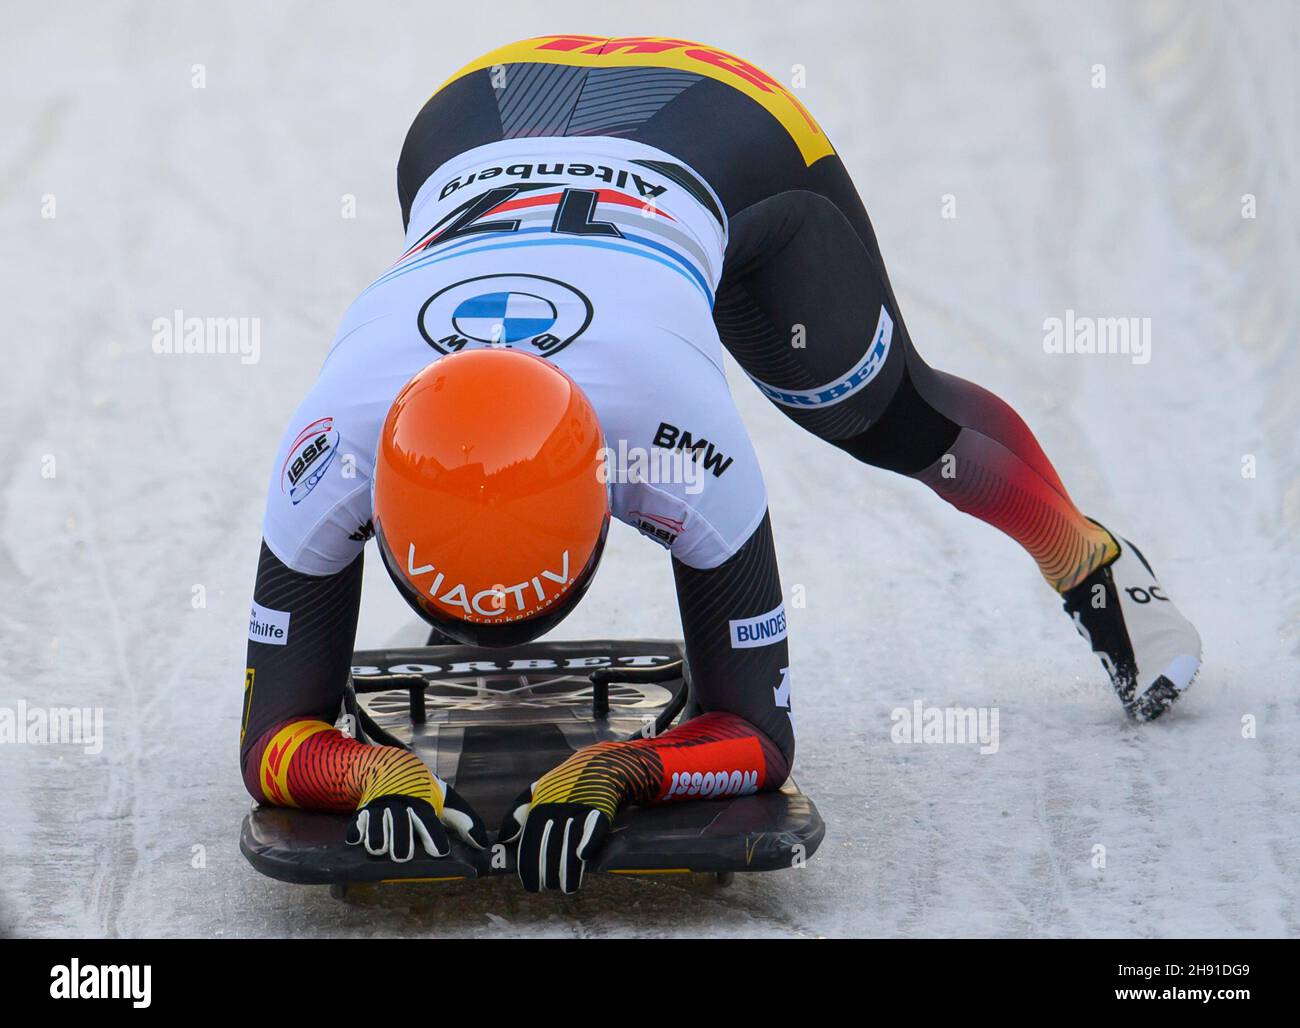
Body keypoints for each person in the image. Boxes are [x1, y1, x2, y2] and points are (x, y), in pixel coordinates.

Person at [242, 35, 1202, 894]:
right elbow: (268, 749)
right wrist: (377, 770)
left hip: (719, 134)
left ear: (617, 498)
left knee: (887, 417)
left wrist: (623, 769)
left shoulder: (678, 438)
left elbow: (765, 738)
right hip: (479, 117)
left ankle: (1090, 562)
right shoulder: (334, 446)